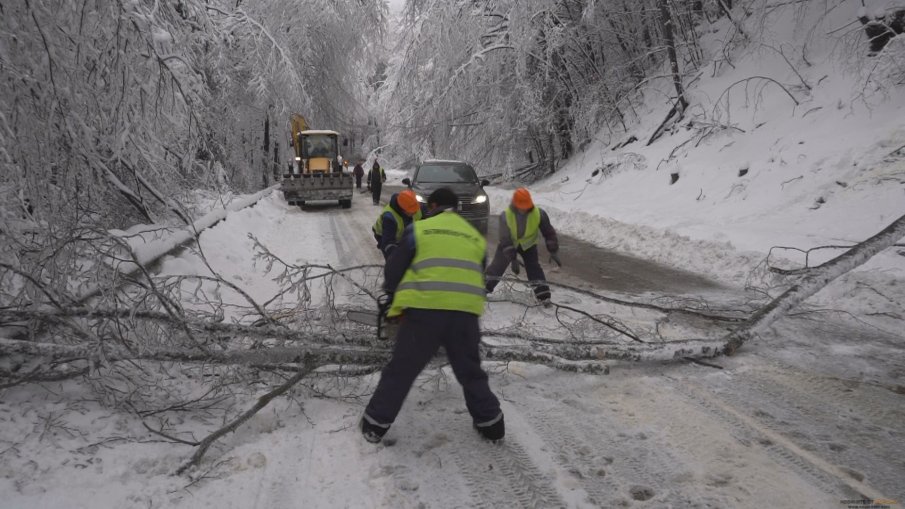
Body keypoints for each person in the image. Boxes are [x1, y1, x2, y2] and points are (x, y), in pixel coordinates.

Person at [361, 187, 504, 444]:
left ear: (434, 205)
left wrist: (392, 298)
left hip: (424, 313)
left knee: (402, 370)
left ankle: (375, 424)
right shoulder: (473, 236)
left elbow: (395, 268)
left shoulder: (419, 230)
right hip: (465, 313)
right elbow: (478, 269)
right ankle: (492, 424)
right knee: (470, 371)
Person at [484, 187, 560, 304]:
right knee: (497, 266)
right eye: (521, 207)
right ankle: (482, 289)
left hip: (528, 246)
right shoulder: (506, 216)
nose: (524, 210)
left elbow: (548, 232)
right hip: (509, 245)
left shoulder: (539, 214)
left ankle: (543, 296)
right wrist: (512, 258)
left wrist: (553, 250)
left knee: (533, 268)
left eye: (526, 207)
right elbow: (505, 239)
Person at [372, 190, 424, 260]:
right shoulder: (390, 218)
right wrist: (395, 260)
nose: (415, 213)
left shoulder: (414, 206)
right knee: (392, 257)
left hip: (402, 233)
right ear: (403, 210)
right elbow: (388, 242)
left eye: (415, 210)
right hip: (383, 235)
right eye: (411, 211)